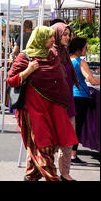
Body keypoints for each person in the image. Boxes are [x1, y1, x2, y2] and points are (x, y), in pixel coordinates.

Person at [7, 26, 78, 181]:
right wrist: (28, 71)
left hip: (52, 108)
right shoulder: (25, 57)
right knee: (43, 146)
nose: (53, 40)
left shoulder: (52, 55)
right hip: (32, 110)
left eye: (53, 37)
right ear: (39, 38)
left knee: (49, 146)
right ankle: (53, 178)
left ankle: (30, 177)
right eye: (49, 37)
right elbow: (11, 80)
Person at [50, 22, 80, 180]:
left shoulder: (66, 53)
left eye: (69, 34)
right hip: (55, 105)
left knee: (68, 143)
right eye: (64, 34)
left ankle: (65, 173)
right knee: (53, 143)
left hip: (69, 105)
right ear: (56, 34)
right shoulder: (50, 54)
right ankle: (50, 172)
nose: (68, 37)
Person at [69, 37, 100, 166]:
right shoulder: (80, 62)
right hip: (80, 96)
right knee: (77, 126)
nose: (86, 49)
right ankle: (73, 155)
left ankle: (68, 154)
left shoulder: (67, 60)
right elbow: (91, 80)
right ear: (79, 49)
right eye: (85, 47)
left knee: (71, 125)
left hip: (70, 95)